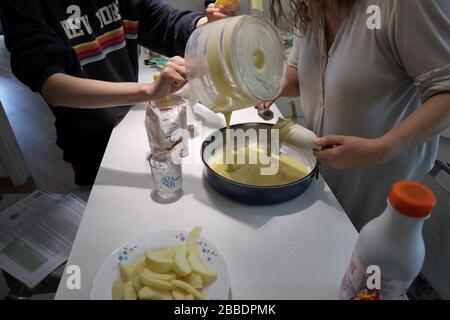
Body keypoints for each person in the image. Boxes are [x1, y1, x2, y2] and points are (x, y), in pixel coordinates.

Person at [0, 0, 239, 185]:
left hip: (129, 122)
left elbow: (165, 21)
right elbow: (53, 86)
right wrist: (148, 90)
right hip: (89, 141)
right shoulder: (25, 5)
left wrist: (206, 25)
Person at [263, 0, 450, 230]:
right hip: (326, 187)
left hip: (383, 198)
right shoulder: (311, 8)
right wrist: (264, 83)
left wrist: (379, 149)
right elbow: (297, 75)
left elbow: (445, 92)